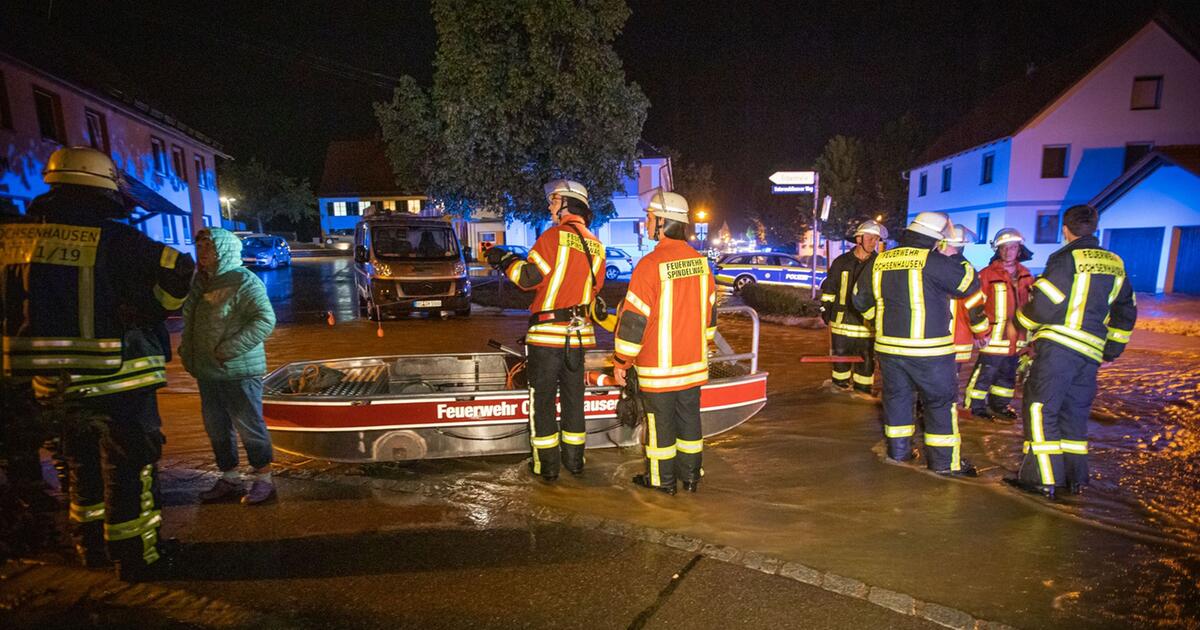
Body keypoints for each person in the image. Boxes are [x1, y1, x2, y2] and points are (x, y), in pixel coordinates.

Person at [0, 147, 193, 581]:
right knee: (130, 466)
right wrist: (151, 310)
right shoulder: (118, 239)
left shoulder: (15, 239)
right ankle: (136, 555)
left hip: (47, 383)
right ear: (103, 188)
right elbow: (177, 269)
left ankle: (89, 548)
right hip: (118, 376)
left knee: (78, 464)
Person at [1010, 205, 1136, 498]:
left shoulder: (1066, 259)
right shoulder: (1115, 262)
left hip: (1059, 348)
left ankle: (1041, 479)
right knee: (1074, 414)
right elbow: (1126, 309)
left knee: (1041, 409)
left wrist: (1020, 321)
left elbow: (1044, 304)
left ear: (1065, 229)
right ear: (1094, 227)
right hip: (1090, 354)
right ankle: (1073, 479)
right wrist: (1113, 348)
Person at [486, 179, 605, 481]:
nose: (550, 206)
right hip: (578, 337)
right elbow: (595, 289)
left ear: (566, 203)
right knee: (574, 399)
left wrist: (504, 260)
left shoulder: (553, 238)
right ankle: (575, 462)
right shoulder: (597, 245)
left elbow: (527, 278)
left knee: (542, 402)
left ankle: (546, 466)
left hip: (547, 336)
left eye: (553, 201)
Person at [852, 212, 982, 476]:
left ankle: (899, 455)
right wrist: (957, 255)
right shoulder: (934, 262)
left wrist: (878, 321)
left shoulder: (879, 261)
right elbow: (968, 283)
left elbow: (859, 300)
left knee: (897, 400)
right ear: (936, 239)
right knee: (939, 404)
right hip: (931, 353)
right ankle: (945, 465)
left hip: (889, 350)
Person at [610, 190, 716, 495]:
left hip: (659, 370)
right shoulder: (701, 264)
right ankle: (691, 478)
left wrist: (621, 362)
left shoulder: (649, 265)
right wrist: (701, 346)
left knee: (660, 427)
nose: (645, 223)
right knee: (690, 424)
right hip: (693, 366)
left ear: (662, 222)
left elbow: (633, 322)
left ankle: (662, 482)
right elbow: (711, 316)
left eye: (649, 218)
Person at [180, 228, 278, 505]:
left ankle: (264, 479)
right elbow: (192, 323)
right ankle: (230, 478)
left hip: (238, 371)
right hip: (207, 371)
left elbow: (264, 320)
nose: (201, 252)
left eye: (208, 246)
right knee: (217, 428)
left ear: (222, 250)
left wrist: (227, 350)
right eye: (198, 246)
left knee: (249, 426)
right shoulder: (201, 283)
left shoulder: (243, 281)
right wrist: (187, 354)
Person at [964, 228, 1035, 421]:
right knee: (985, 374)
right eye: (1004, 248)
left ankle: (1000, 405)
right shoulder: (986, 274)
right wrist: (979, 334)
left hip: (1017, 338)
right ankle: (975, 406)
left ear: (1019, 249)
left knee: (1007, 376)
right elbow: (974, 304)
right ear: (998, 250)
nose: (1008, 251)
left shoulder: (1026, 275)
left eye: (1012, 247)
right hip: (993, 338)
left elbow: (1032, 305)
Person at [819, 220, 886, 395]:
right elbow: (830, 288)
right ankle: (840, 396)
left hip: (867, 324)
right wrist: (825, 309)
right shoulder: (841, 262)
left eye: (876, 239)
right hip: (842, 324)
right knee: (840, 365)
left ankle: (862, 394)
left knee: (866, 364)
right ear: (858, 239)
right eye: (870, 238)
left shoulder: (880, 264)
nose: (873, 242)